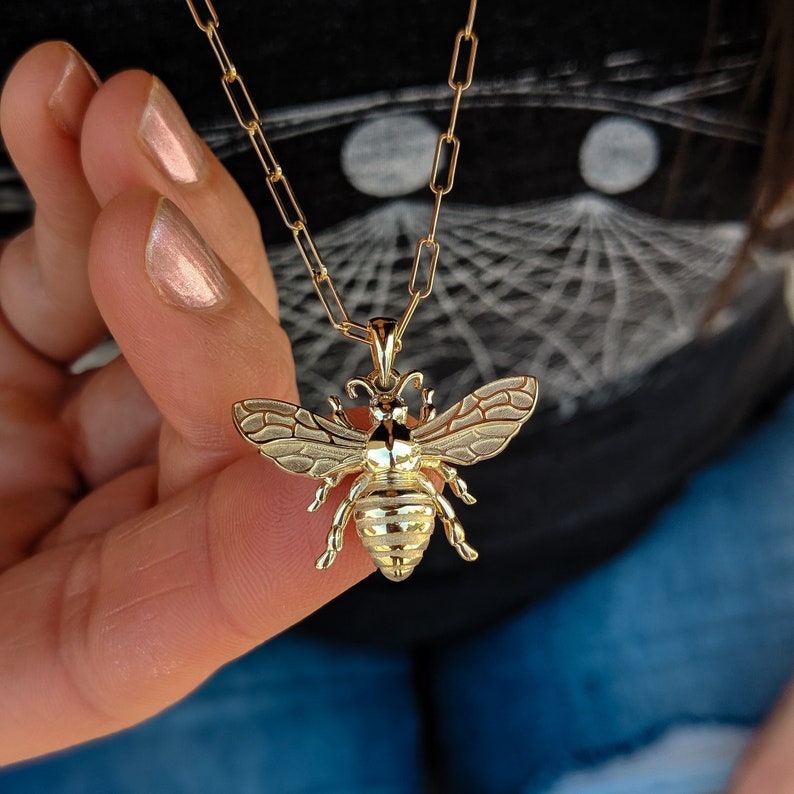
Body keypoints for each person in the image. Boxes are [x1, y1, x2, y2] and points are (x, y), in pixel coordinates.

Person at [0, 0, 793, 791]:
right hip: (124, 551)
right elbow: (464, 443)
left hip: (684, 487)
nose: (390, 410)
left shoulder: (364, 448)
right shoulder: (426, 443)